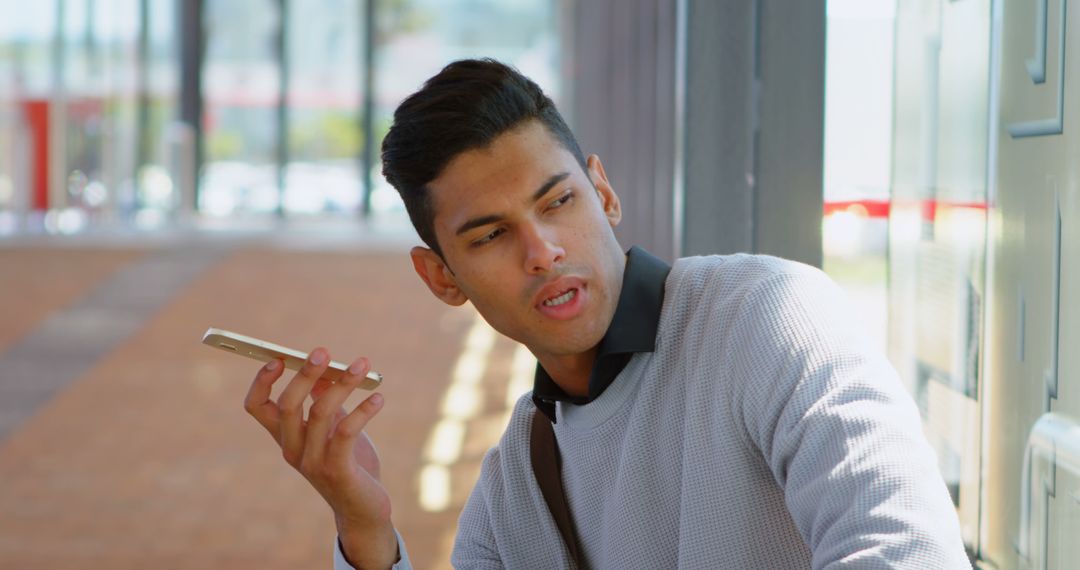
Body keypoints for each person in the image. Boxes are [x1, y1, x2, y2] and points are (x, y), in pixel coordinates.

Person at [242, 58, 971, 569]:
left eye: (558, 201)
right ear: (441, 278)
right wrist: (364, 532)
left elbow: (907, 553)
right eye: (491, 234)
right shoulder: (515, 487)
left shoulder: (768, 319)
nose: (543, 251)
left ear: (605, 193)